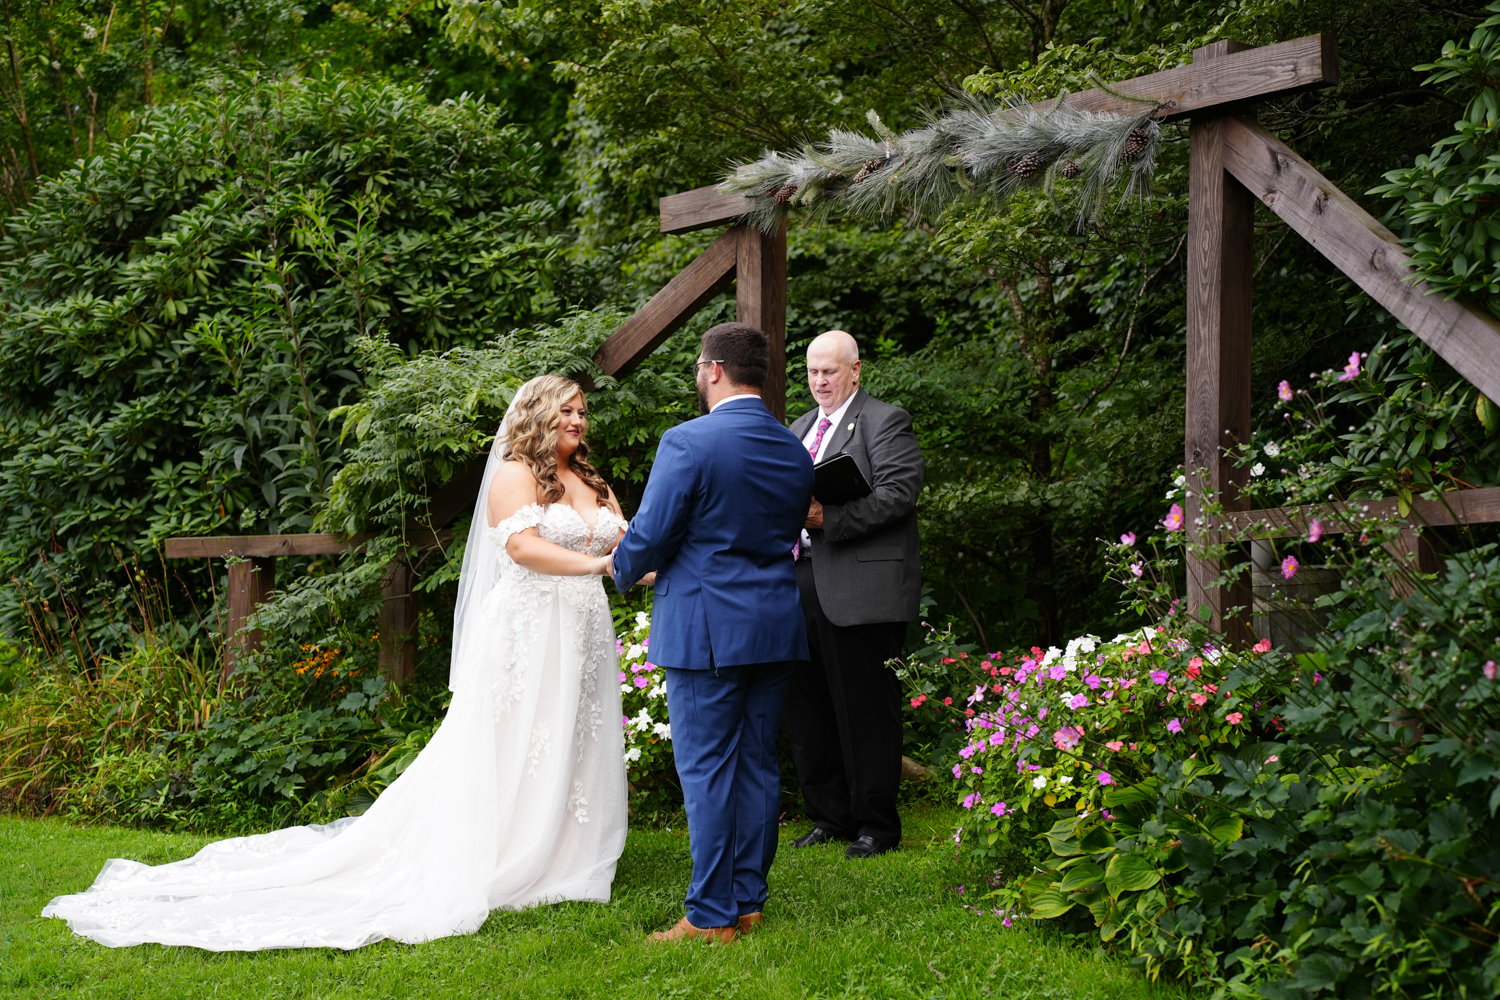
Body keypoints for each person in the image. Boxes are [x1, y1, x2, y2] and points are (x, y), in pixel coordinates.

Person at [42, 375, 631, 950]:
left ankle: (564, 851)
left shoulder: (591, 480)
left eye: (581, 411)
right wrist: (599, 568)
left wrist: (644, 564)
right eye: (566, 410)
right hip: (528, 629)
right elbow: (524, 549)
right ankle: (504, 848)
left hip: (580, 626)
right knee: (513, 738)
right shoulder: (513, 475)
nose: (577, 420)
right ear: (535, 415)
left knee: (573, 733)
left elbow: (626, 542)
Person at [609, 322, 814, 944]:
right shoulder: (793, 449)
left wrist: (622, 569)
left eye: (700, 368)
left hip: (706, 630)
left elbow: (651, 533)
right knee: (756, 766)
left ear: (714, 370)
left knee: (705, 771)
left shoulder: (687, 442)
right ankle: (747, 902)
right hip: (775, 624)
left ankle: (708, 915)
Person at [784, 329, 925, 859]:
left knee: (865, 709)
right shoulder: (798, 428)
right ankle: (829, 817)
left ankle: (876, 827)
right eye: (813, 371)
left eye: (831, 371)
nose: (820, 381)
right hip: (796, 583)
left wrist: (828, 517)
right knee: (807, 706)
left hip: (860, 587)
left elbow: (898, 493)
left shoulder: (885, 421)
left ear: (856, 371)